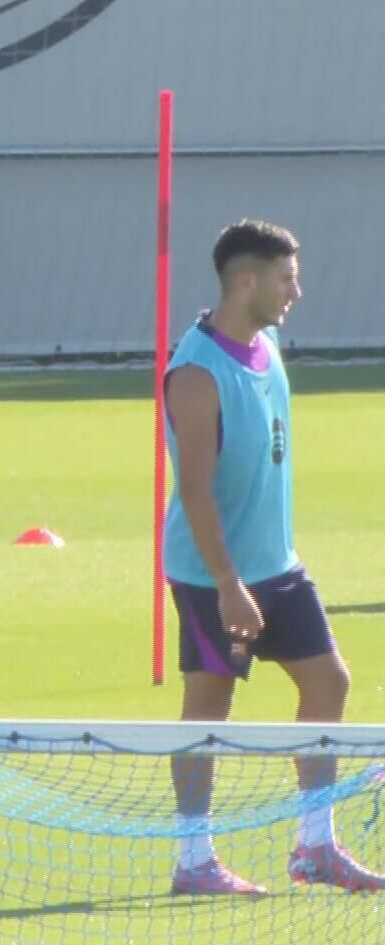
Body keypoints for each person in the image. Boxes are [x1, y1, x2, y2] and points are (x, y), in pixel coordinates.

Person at [163, 219, 381, 895]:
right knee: (211, 703)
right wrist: (228, 584)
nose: (298, 290)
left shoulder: (267, 344)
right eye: (287, 278)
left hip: (278, 566)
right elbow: (195, 490)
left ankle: (315, 846)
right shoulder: (197, 373)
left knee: (329, 683)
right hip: (212, 573)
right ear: (247, 280)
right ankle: (192, 859)